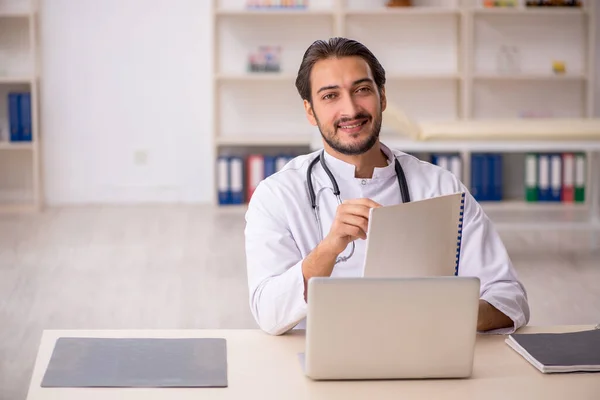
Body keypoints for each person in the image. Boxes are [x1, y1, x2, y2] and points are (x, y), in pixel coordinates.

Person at [244, 37, 530, 336]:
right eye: (330, 96)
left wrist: (444, 312)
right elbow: (268, 313)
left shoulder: (440, 187)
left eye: (362, 90)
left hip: (422, 355)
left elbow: (510, 298)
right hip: (318, 365)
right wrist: (329, 249)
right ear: (310, 111)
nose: (351, 109)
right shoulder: (276, 194)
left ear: (382, 97)